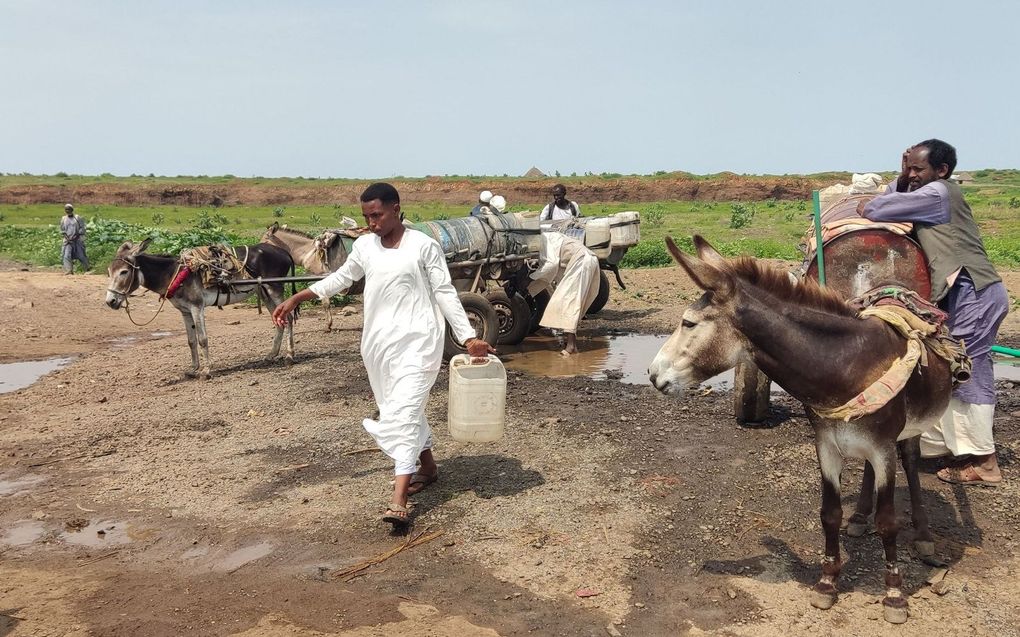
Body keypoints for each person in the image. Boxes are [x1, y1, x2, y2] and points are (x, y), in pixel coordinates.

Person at [272, 183, 496, 526]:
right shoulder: (364, 247)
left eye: (376, 214)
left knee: (404, 412)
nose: (372, 222)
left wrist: (468, 337)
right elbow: (342, 278)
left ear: (395, 208)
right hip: (378, 345)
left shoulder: (424, 246)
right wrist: (298, 297)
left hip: (419, 342)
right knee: (398, 408)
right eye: (366, 216)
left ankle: (399, 498)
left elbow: (445, 292)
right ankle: (429, 467)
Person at [860, 139, 1007, 485]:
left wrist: (898, 180)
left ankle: (985, 462)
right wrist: (904, 176)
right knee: (956, 363)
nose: (911, 175)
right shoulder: (936, 192)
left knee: (964, 367)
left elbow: (875, 209)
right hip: (968, 292)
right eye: (908, 168)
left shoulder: (938, 193)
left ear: (941, 170)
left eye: (916, 169)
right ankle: (943, 446)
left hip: (974, 292)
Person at [528, 232, 600, 355]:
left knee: (570, 303)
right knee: (572, 303)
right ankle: (571, 345)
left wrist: (529, 280)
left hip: (582, 261)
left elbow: (550, 266)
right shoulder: (552, 236)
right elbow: (550, 274)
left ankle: (571, 347)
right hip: (589, 259)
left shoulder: (544, 239)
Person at [60, 203, 89, 274]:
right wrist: (68, 238)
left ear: (72, 210)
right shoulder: (63, 219)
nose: (67, 210)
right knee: (66, 255)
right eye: (66, 209)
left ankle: (87, 268)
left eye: (69, 209)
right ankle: (69, 270)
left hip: (77, 240)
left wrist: (75, 237)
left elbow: (82, 228)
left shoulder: (77, 217)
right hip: (68, 241)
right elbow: (62, 230)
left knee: (81, 255)